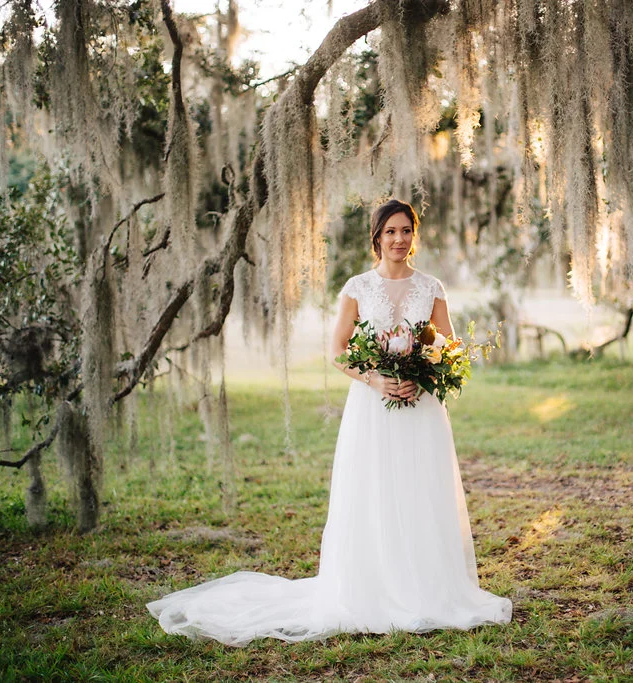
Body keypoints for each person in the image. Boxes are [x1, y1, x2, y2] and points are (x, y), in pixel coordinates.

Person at [147, 199, 511, 646]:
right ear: (376, 237)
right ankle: (372, 589)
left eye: (406, 231)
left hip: (421, 410)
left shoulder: (431, 287)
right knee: (374, 490)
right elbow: (338, 349)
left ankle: (427, 587)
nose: (399, 239)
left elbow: (449, 345)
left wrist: (425, 375)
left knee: (420, 489)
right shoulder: (358, 287)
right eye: (391, 232)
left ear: (414, 235)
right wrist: (375, 378)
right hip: (372, 408)